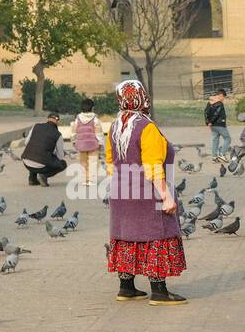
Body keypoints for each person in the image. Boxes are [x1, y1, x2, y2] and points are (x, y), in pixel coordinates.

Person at [105, 79, 186, 305]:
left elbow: (110, 162)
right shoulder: (146, 127)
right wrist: (166, 195)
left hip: (121, 192)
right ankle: (159, 291)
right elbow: (152, 165)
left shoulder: (114, 126)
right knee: (155, 235)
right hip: (146, 194)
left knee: (126, 236)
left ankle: (126, 287)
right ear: (142, 97)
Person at [22, 112, 67, 186]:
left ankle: (32, 179)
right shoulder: (58, 134)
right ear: (58, 122)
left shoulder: (36, 126)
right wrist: (52, 153)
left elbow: (26, 142)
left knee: (35, 151)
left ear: (47, 119)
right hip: (41, 165)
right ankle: (44, 176)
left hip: (26, 162)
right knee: (62, 164)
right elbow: (60, 156)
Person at [70, 100, 103, 187]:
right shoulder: (95, 119)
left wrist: (73, 141)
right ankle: (91, 180)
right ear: (92, 108)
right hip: (93, 144)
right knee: (93, 162)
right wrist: (100, 143)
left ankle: (83, 180)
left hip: (81, 144)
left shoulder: (77, 119)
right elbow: (98, 132)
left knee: (82, 162)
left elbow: (74, 131)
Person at [205, 89, 230, 158]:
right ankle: (222, 154)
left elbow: (205, 112)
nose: (223, 99)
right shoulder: (219, 103)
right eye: (223, 97)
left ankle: (214, 156)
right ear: (221, 95)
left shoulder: (209, 102)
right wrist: (211, 122)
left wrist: (208, 122)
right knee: (227, 138)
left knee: (215, 140)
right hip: (219, 124)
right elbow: (216, 114)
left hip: (213, 126)